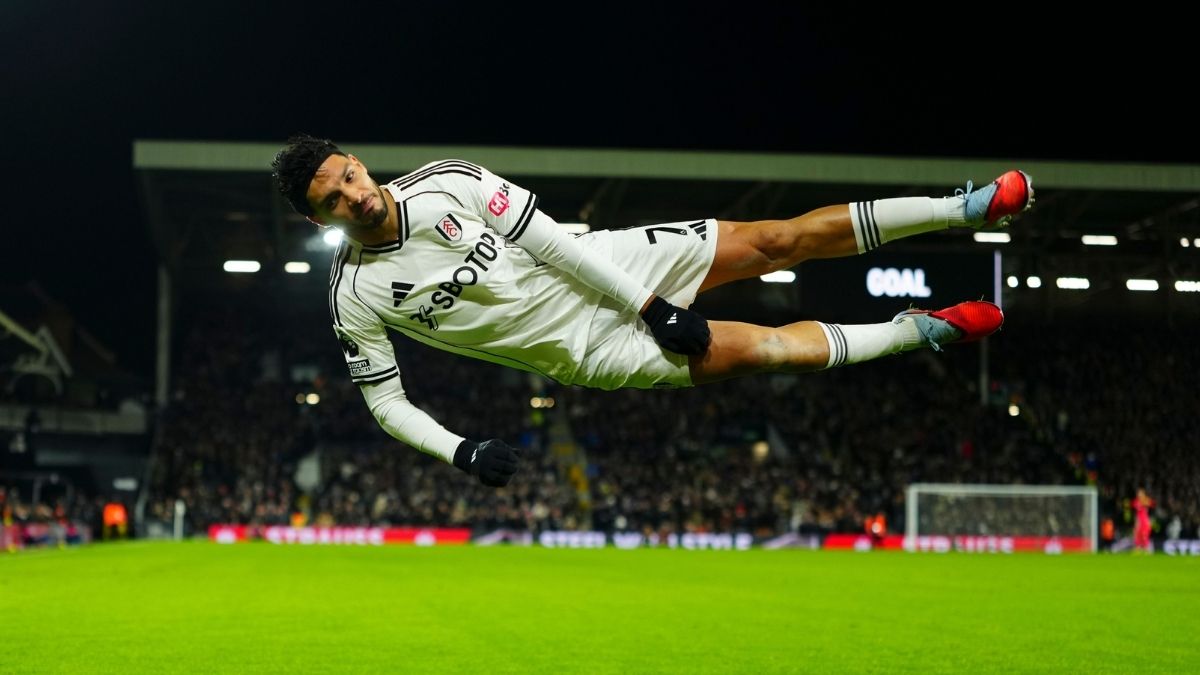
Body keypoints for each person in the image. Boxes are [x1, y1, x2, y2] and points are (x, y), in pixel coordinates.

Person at [272, 135, 1033, 488]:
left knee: (777, 239)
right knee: (769, 352)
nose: (352, 195)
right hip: (587, 351)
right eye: (331, 201)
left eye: (347, 175)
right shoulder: (355, 293)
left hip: (612, 265)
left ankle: (961, 206)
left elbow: (550, 242)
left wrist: (653, 301)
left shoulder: (449, 182)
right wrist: (459, 449)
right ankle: (919, 330)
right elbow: (385, 402)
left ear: (357, 162)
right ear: (320, 222)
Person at [1132, 488, 1154, 554]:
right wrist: (1136, 522)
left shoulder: (1147, 500)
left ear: (1144, 494)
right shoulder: (1136, 502)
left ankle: (1146, 551)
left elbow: (1151, 505)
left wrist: (1150, 521)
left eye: (1140, 493)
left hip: (1145, 522)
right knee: (1137, 537)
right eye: (1138, 493)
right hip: (1139, 522)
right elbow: (1136, 513)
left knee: (1145, 537)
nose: (1139, 494)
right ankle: (1137, 550)